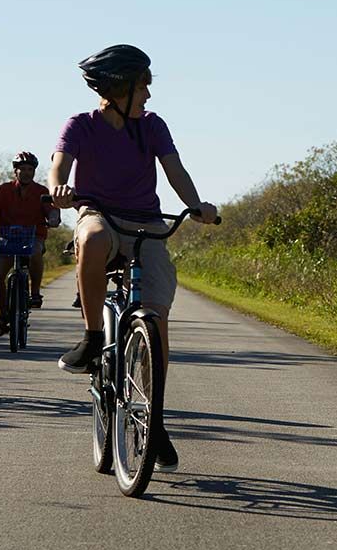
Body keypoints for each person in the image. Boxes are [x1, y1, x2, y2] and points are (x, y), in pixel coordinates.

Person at [48, 45, 217, 471]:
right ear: (119, 87)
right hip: (98, 214)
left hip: (147, 224)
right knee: (93, 236)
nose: (148, 94)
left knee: (156, 320)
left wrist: (197, 205)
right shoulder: (80, 126)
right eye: (143, 85)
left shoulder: (153, 127)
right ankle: (91, 337)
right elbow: (59, 166)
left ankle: (153, 417)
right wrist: (59, 188)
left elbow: (175, 170)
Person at [0, 151, 60, 335]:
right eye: (22, 169)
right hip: (7, 239)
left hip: (32, 237)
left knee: (34, 251)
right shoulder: (4, 190)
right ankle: (4, 314)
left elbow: (52, 210)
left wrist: (53, 218)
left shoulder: (42, 192)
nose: (26, 173)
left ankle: (34, 293)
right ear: (15, 171)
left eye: (30, 169)